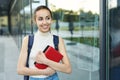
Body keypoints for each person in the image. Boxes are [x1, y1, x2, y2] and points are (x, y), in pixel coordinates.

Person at [17, 5, 72, 80]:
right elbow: (20, 69)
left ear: (51, 20)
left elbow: (68, 69)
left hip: (53, 78)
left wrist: (45, 61)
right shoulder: (28, 40)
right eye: (40, 19)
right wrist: (44, 71)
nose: (45, 22)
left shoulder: (58, 40)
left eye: (48, 18)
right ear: (35, 21)